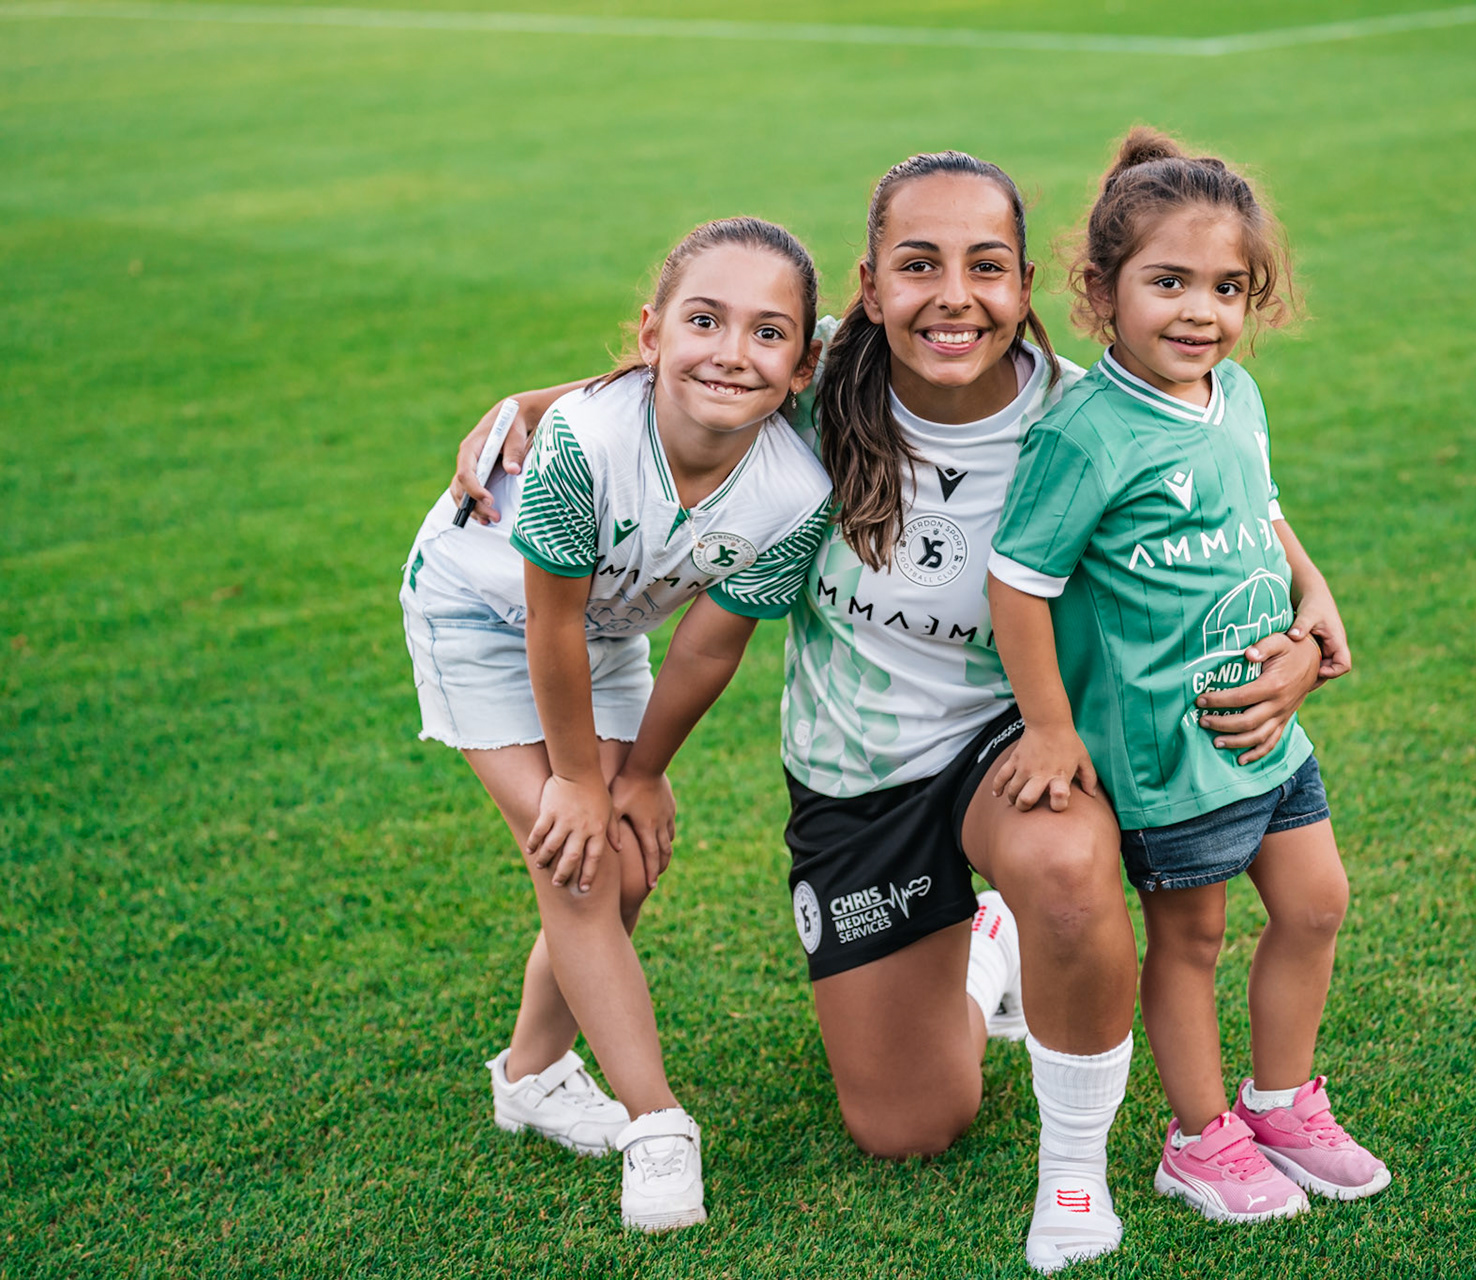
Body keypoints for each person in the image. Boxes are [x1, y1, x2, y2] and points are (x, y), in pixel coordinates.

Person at [452, 154, 1325, 1272]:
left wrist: (1307, 612)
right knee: (907, 1125)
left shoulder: (1083, 413)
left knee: (1063, 862)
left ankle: (1077, 1172)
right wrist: (542, 404)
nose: (953, 296)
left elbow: (1224, 486)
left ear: (1025, 289)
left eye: (987, 267)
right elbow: (696, 371)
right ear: (869, 285)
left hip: (1015, 738)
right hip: (857, 771)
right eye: (920, 266)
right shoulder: (811, 400)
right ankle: (979, 953)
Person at [986, 128, 1390, 1227]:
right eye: (1168, 283)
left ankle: (1282, 1098)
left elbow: (1256, 505)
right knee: (1194, 938)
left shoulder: (1236, 396)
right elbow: (1017, 584)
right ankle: (1198, 1135)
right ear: (1101, 290)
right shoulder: (1087, 436)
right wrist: (1051, 728)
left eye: (1228, 287)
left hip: (1269, 731)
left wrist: (1312, 589)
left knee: (1317, 903)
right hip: (1171, 753)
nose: (1200, 312)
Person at [403, 217, 834, 1232]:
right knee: (582, 859)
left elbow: (706, 648)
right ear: (650, 335)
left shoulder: (795, 491)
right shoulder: (582, 440)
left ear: (802, 365)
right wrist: (578, 779)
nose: (732, 351)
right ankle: (655, 1121)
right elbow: (545, 617)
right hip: (482, 614)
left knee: (628, 853)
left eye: (767, 333)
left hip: (603, 632)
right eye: (704, 320)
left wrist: (638, 774)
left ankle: (534, 1071)